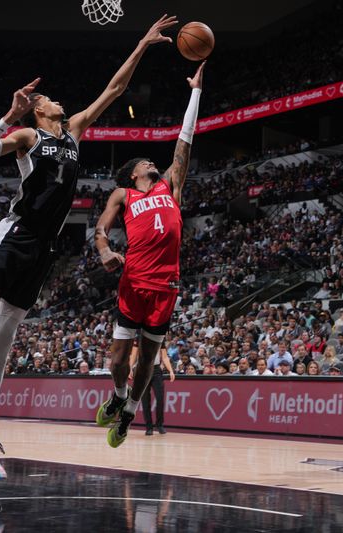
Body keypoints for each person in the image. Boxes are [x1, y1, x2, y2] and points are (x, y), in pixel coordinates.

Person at [0, 15, 180, 478]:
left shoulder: (72, 131)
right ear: (36, 112)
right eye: (46, 99)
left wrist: (143, 45)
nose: (53, 98)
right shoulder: (30, 136)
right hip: (16, 235)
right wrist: (10, 115)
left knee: (4, 340)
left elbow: (113, 89)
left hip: (44, 249)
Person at [93, 61, 205, 448]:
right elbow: (101, 229)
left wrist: (195, 93)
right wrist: (105, 249)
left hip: (166, 287)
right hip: (133, 282)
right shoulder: (124, 195)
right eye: (145, 163)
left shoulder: (170, 187)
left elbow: (184, 145)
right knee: (118, 360)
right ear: (133, 174)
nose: (152, 163)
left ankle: (129, 412)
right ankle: (119, 396)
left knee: (149, 361)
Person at [130, 345, 175, 435]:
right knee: (145, 400)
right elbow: (134, 355)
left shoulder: (160, 336)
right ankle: (149, 427)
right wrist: (130, 368)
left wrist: (171, 370)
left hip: (156, 370)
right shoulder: (139, 336)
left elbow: (165, 357)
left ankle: (159, 424)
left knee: (160, 398)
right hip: (142, 369)